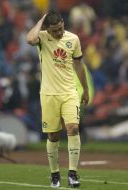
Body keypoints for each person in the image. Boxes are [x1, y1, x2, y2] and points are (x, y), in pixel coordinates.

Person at [27, 10, 89, 188]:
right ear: (47, 29)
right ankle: (54, 174)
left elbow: (79, 65)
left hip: (69, 92)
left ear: (63, 23)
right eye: (55, 31)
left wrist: (85, 90)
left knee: (73, 128)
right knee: (53, 135)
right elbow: (30, 39)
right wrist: (40, 20)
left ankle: (72, 174)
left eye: (61, 28)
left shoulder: (73, 39)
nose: (59, 33)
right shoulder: (42, 38)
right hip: (48, 94)